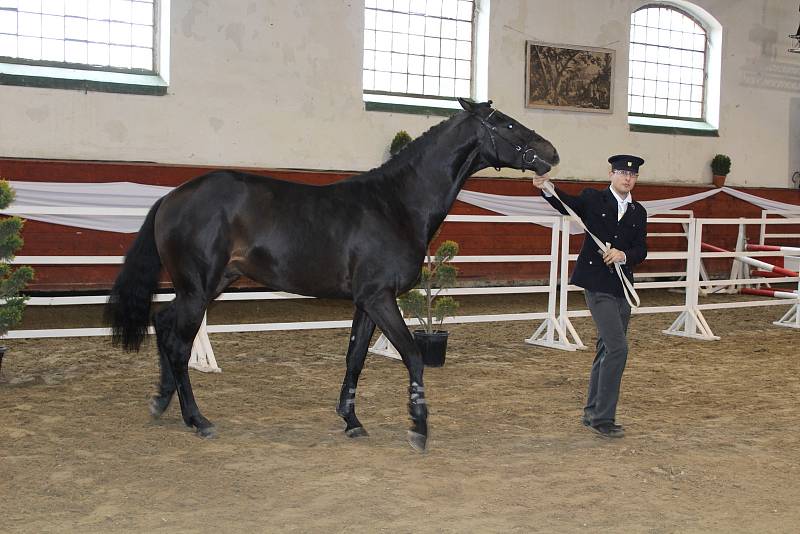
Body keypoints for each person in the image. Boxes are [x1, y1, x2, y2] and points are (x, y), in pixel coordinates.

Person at [532, 155, 648, 438]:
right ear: (611, 174)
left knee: (607, 349)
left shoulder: (638, 211)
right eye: (622, 172)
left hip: (623, 287)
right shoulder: (593, 199)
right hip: (597, 285)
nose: (627, 178)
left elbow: (641, 250)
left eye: (631, 175)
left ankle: (592, 412)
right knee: (618, 348)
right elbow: (566, 203)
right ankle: (603, 419)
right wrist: (545, 187)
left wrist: (624, 255)